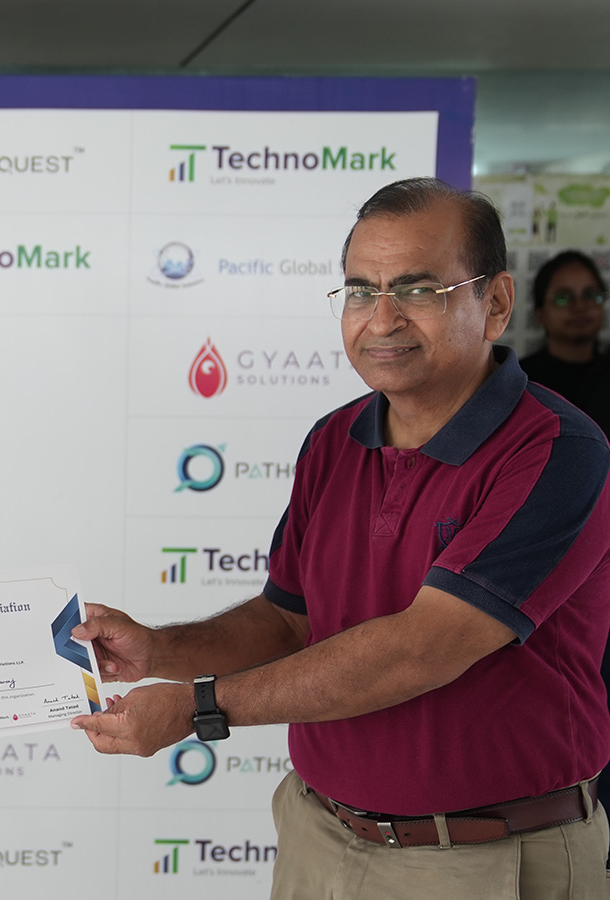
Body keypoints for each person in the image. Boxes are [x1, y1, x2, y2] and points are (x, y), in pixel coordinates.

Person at [72, 177, 610, 899]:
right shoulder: (334, 438)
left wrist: (200, 705)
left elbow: (422, 648)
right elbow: (288, 621)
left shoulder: (556, 450)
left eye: (418, 289)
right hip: (319, 834)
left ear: (496, 304)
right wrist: (158, 651)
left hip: (483, 856)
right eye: (361, 291)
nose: (382, 318)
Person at [520, 249, 610, 436]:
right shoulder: (520, 380)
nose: (580, 306)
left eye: (590, 295)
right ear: (540, 313)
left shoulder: (605, 375)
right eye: (563, 297)